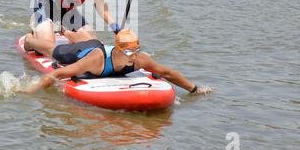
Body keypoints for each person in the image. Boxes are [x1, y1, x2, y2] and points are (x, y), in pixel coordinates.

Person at [21, 21, 212, 94]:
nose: (133, 56)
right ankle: (31, 40)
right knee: (55, 51)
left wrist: (194, 89)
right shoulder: (94, 61)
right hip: (86, 53)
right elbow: (54, 75)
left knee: (90, 41)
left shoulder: (139, 59)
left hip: (99, 47)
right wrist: (29, 91)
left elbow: (167, 72)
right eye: (129, 51)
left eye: (136, 50)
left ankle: (69, 32)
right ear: (119, 50)